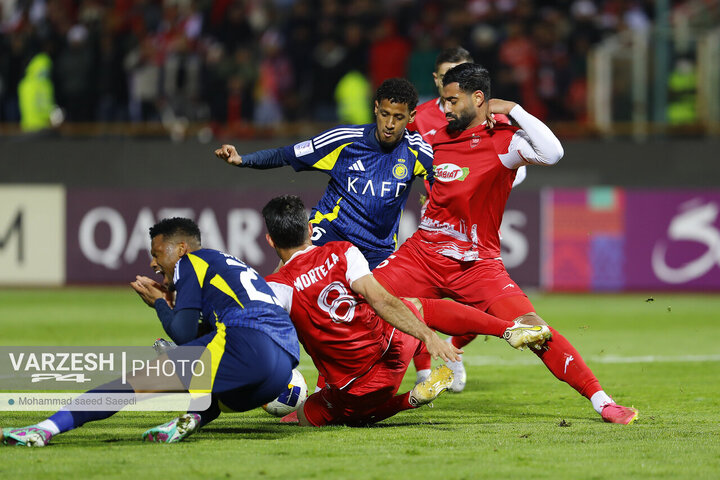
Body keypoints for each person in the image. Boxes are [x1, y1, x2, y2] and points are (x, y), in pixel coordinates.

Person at [372, 63, 638, 424]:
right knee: (359, 298)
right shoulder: (434, 138)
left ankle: (602, 401)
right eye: (443, 101)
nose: (445, 109)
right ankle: (328, 394)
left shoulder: (504, 141)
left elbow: (553, 153)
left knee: (535, 330)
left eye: (452, 101)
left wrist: (513, 109)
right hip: (422, 255)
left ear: (478, 98)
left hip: (477, 265)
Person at [1, 218, 300, 446]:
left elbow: (183, 333)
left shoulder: (190, 262)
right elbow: (206, 334)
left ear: (181, 248)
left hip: (247, 345)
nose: (153, 263)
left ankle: (43, 430)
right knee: (204, 374)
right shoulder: (226, 263)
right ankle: (192, 417)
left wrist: (159, 304)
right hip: (280, 368)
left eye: (158, 254)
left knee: (126, 386)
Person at [260, 195, 552, 427]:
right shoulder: (343, 251)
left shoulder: (275, 289)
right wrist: (428, 336)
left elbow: (266, 342)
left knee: (318, 415)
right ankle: (507, 329)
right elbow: (382, 301)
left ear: (270, 240)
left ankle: (409, 400)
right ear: (310, 229)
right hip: (394, 350)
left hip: (358, 388)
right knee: (415, 305)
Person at [215, 77, 434, 269]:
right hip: (331, 232)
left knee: (381, 306)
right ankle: (266, 313)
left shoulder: (417, 152)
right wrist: (243, 160)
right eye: (385, 114)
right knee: (292, 269)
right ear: (376, 108)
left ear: (412, 116)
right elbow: (286, 154)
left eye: (398, 117)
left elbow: (449, 183)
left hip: (377, 250)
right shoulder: (344, 141)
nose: (389, 124)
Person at [407, 46, 526, 390]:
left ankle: (454, 351)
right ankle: (425, 370)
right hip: (433, 222)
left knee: (482, 306)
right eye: (448, 75)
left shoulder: (488, 117)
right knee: (416, 301)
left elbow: (511, 160)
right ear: (436, 79)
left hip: (473, 225)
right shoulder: (418, 118)